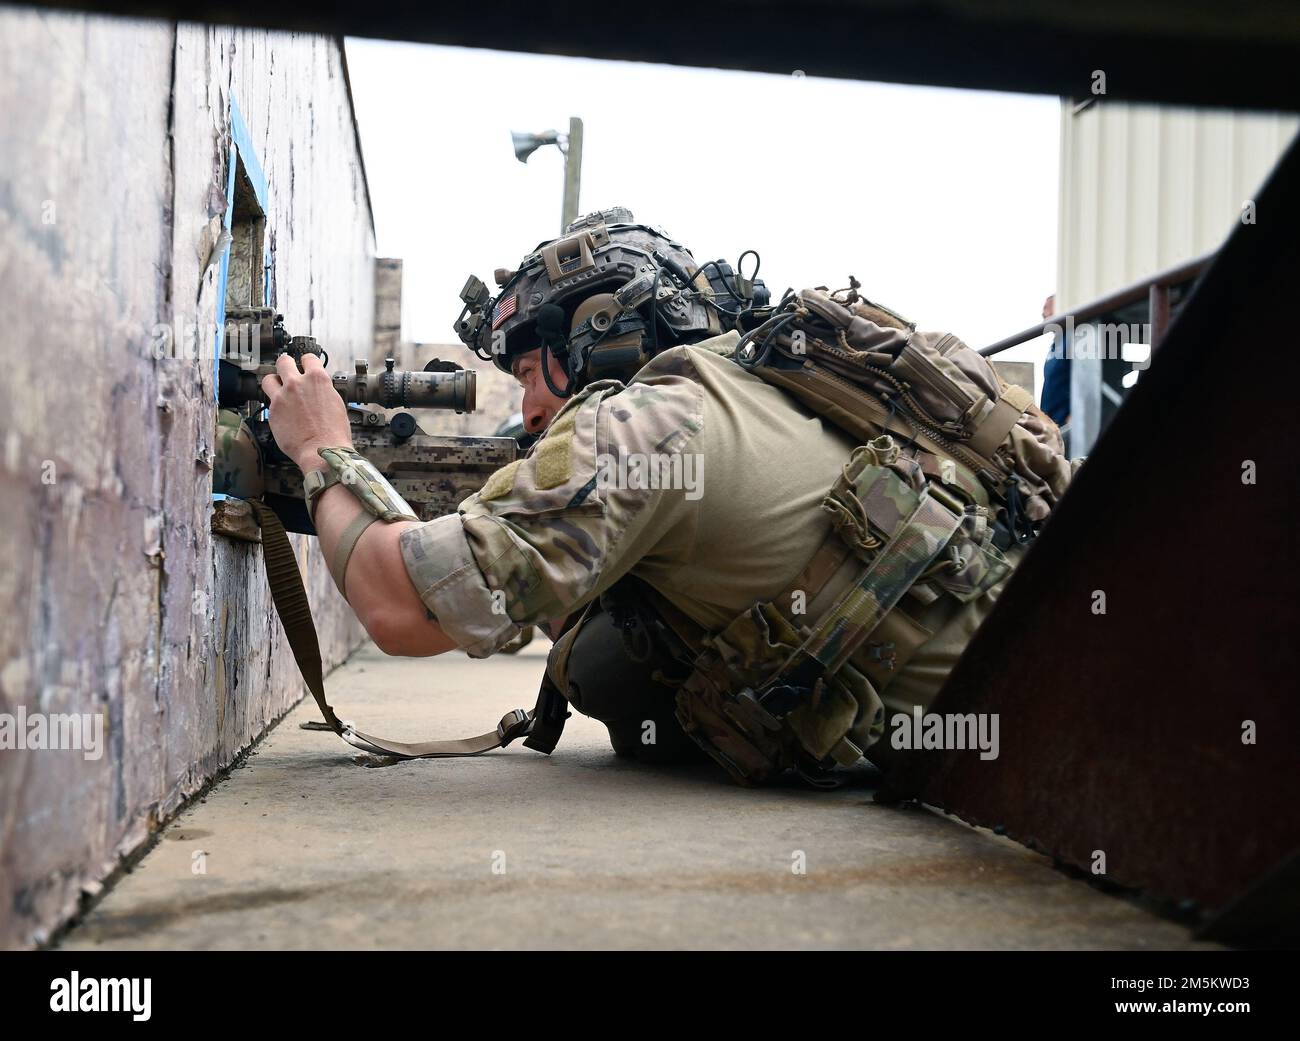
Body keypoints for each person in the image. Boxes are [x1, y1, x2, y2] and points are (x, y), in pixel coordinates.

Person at [261, 208, 1065, 784]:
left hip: (1047, 758)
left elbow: (400, 605)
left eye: (533, 373)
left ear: (600, 337)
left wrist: (319, 447)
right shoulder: (749, 385)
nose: (529, 410)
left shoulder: (648, 424)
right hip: (1059, 702)